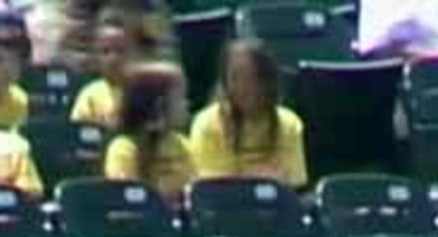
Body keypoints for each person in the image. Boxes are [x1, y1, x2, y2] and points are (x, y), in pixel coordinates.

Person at [189, 38, 307, 186]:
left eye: (254, 77)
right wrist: (261, 175)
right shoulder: (206, 124)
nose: (245, 87)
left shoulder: (289, 123)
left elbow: (294, 182)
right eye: (235, 78)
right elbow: (209, 185)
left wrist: (239, 176)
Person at [104, 59, 193, 196]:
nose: (187, 103)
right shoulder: (123, 149)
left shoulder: (182, 145)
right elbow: (127, 196)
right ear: (158, 105)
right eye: (180, 97)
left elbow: (193, 192)